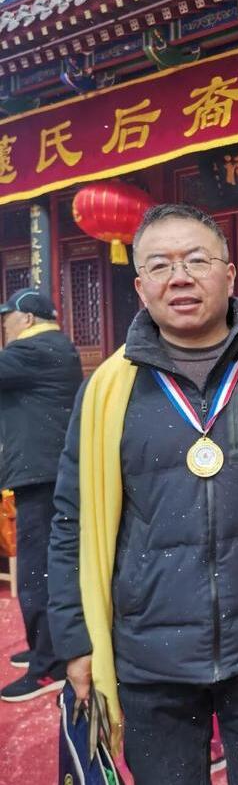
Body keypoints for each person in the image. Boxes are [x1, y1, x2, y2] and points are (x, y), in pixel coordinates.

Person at [48, 204, 238, 784]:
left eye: (197, 260)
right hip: (150, 656)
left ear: (229, 274)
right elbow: (72, 521)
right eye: (160, 265)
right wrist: (74, 640)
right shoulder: (106, 393)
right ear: (140, 286)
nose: (180, 278)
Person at [0, 288, 82, 702]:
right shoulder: (54, 348)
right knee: (45, 568)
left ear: (27, 318)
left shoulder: (32, 350)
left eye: (7, 319)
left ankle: (49, 666)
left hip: (42, 479)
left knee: (37, 573)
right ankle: (44, 649)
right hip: (50, 475)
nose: (4, 327)